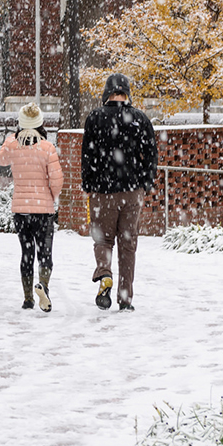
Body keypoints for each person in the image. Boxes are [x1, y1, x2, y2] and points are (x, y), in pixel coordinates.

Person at [80, 73, 159, 311]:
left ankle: (105, 274)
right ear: (127, 93)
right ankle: (125, 298)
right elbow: (152, 154)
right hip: (132, 191)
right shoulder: (139, 119)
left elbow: (87, 155)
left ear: (107, 92)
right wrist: (146, 181)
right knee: (128, 244)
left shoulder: (95, 118)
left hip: (103, 192)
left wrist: (89, 183)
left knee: (103, 239)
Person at [0, 102, 64, 312]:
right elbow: (57, 179)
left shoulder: (13, 145)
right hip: (43, 211)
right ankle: (42, 285)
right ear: (40, 123)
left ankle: (27, 298)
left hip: (21, 210)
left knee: (26, 254)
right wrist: (52, 198)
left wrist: (11, 139)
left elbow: (1, 160)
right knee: (45, 254)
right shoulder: (47, 147)